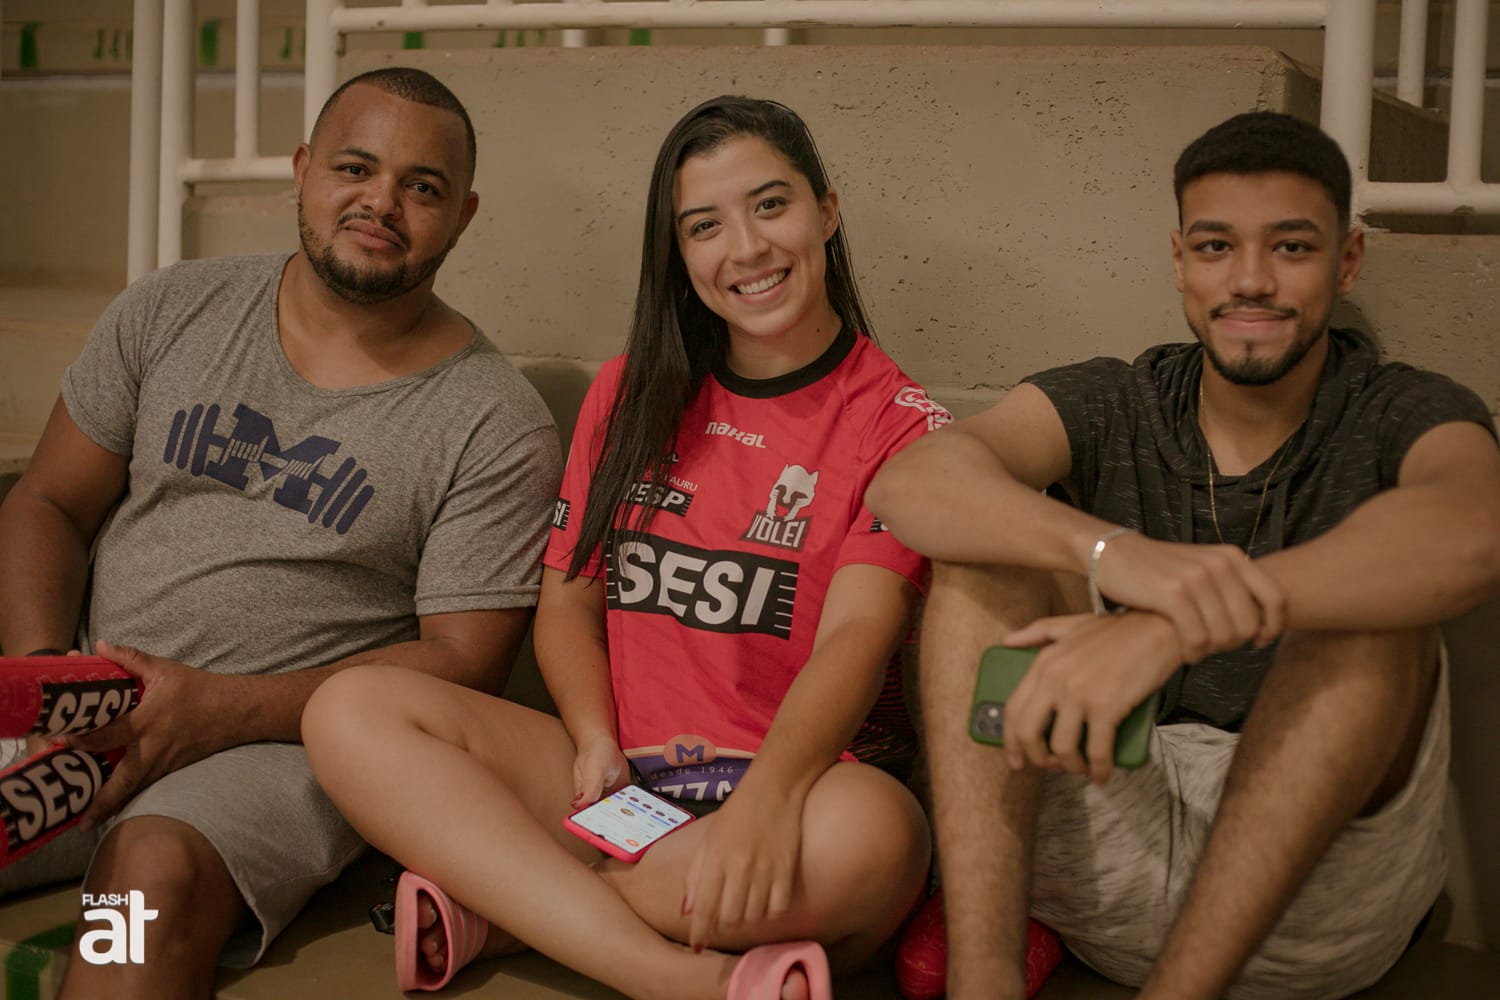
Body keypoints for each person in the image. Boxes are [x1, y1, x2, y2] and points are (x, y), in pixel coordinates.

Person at [303, 95, 943, 998]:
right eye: (705, 226)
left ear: (826, 212)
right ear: (679, 254)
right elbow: (568, 599)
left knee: (879, 841)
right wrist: (594, 736)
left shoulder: (902, 425)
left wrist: (763, 806)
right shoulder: (629, 392)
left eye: (771, 206)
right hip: (621, 788)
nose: (747, 248)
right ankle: (676, 976)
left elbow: (855, 640)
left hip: (799, 791)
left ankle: (516, 909)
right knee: (349, 710)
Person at [866, 110, 1500, 1000]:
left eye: (1291, 247)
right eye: (1215, 247)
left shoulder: (1404, 409)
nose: (1250, 280)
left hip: (1310, 902)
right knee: (980, 555)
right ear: (1179, 260)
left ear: (1348, 260)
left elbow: (1474, 530)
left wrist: (1172, 627)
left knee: (1375, 622)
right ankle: (984, 981)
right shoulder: (1118, 398)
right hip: (1098, 848)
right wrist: (1111, 553)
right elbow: (912, 484)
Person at [0, 67, 561, 1000]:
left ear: (462, 217)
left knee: (145, 892)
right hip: (86, 710)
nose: (381, 202)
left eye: (422, 187)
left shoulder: (493, 422)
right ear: (303, 172)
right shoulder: (171, 309)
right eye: (355, 167)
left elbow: (463, 664)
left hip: (274, 756)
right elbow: (49, 503)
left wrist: (216, 710)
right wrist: (44, 683)